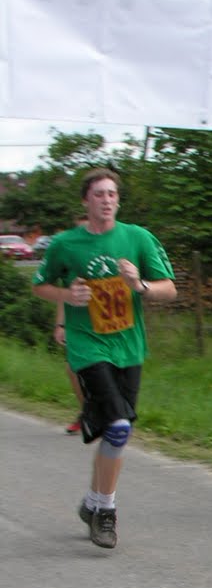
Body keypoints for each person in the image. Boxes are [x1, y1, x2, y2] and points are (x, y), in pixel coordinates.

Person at [32, 168, 177, 549]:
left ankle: (92, 503)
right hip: (88, 345)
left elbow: (169, 289)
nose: (107, 200)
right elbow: (41, 285)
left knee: (117, 432)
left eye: (112, 194)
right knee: (119, 427)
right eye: (99, 194)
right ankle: (106, 512)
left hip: (128, 347)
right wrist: (68, 297)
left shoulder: (137, 238)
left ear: (118, 200)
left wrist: (140, 285)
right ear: (86, 201)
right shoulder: (66, 244)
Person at [53, 302, 85, 432]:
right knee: (72, 368)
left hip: (109, 325)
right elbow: (63, 297)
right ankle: (86, 414)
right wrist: (60, 325)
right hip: (80, 325)